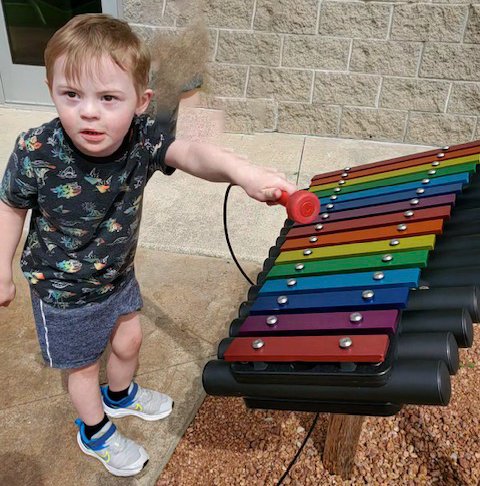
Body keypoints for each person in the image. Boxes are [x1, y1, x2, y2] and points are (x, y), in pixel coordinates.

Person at [0, 13, 296, 478]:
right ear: (50, 87)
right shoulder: (36, 149)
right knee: (81, 368)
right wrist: (2, 268)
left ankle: (120, 397)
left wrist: (244, 173)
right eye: (71, 95)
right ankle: (94, 429)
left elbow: (195, 154)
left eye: (109, 98)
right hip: (62, 291)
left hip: (118, 276)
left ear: (142, 102)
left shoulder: (142, 140)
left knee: (129, 341)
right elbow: (10, 206)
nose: (89, 111)